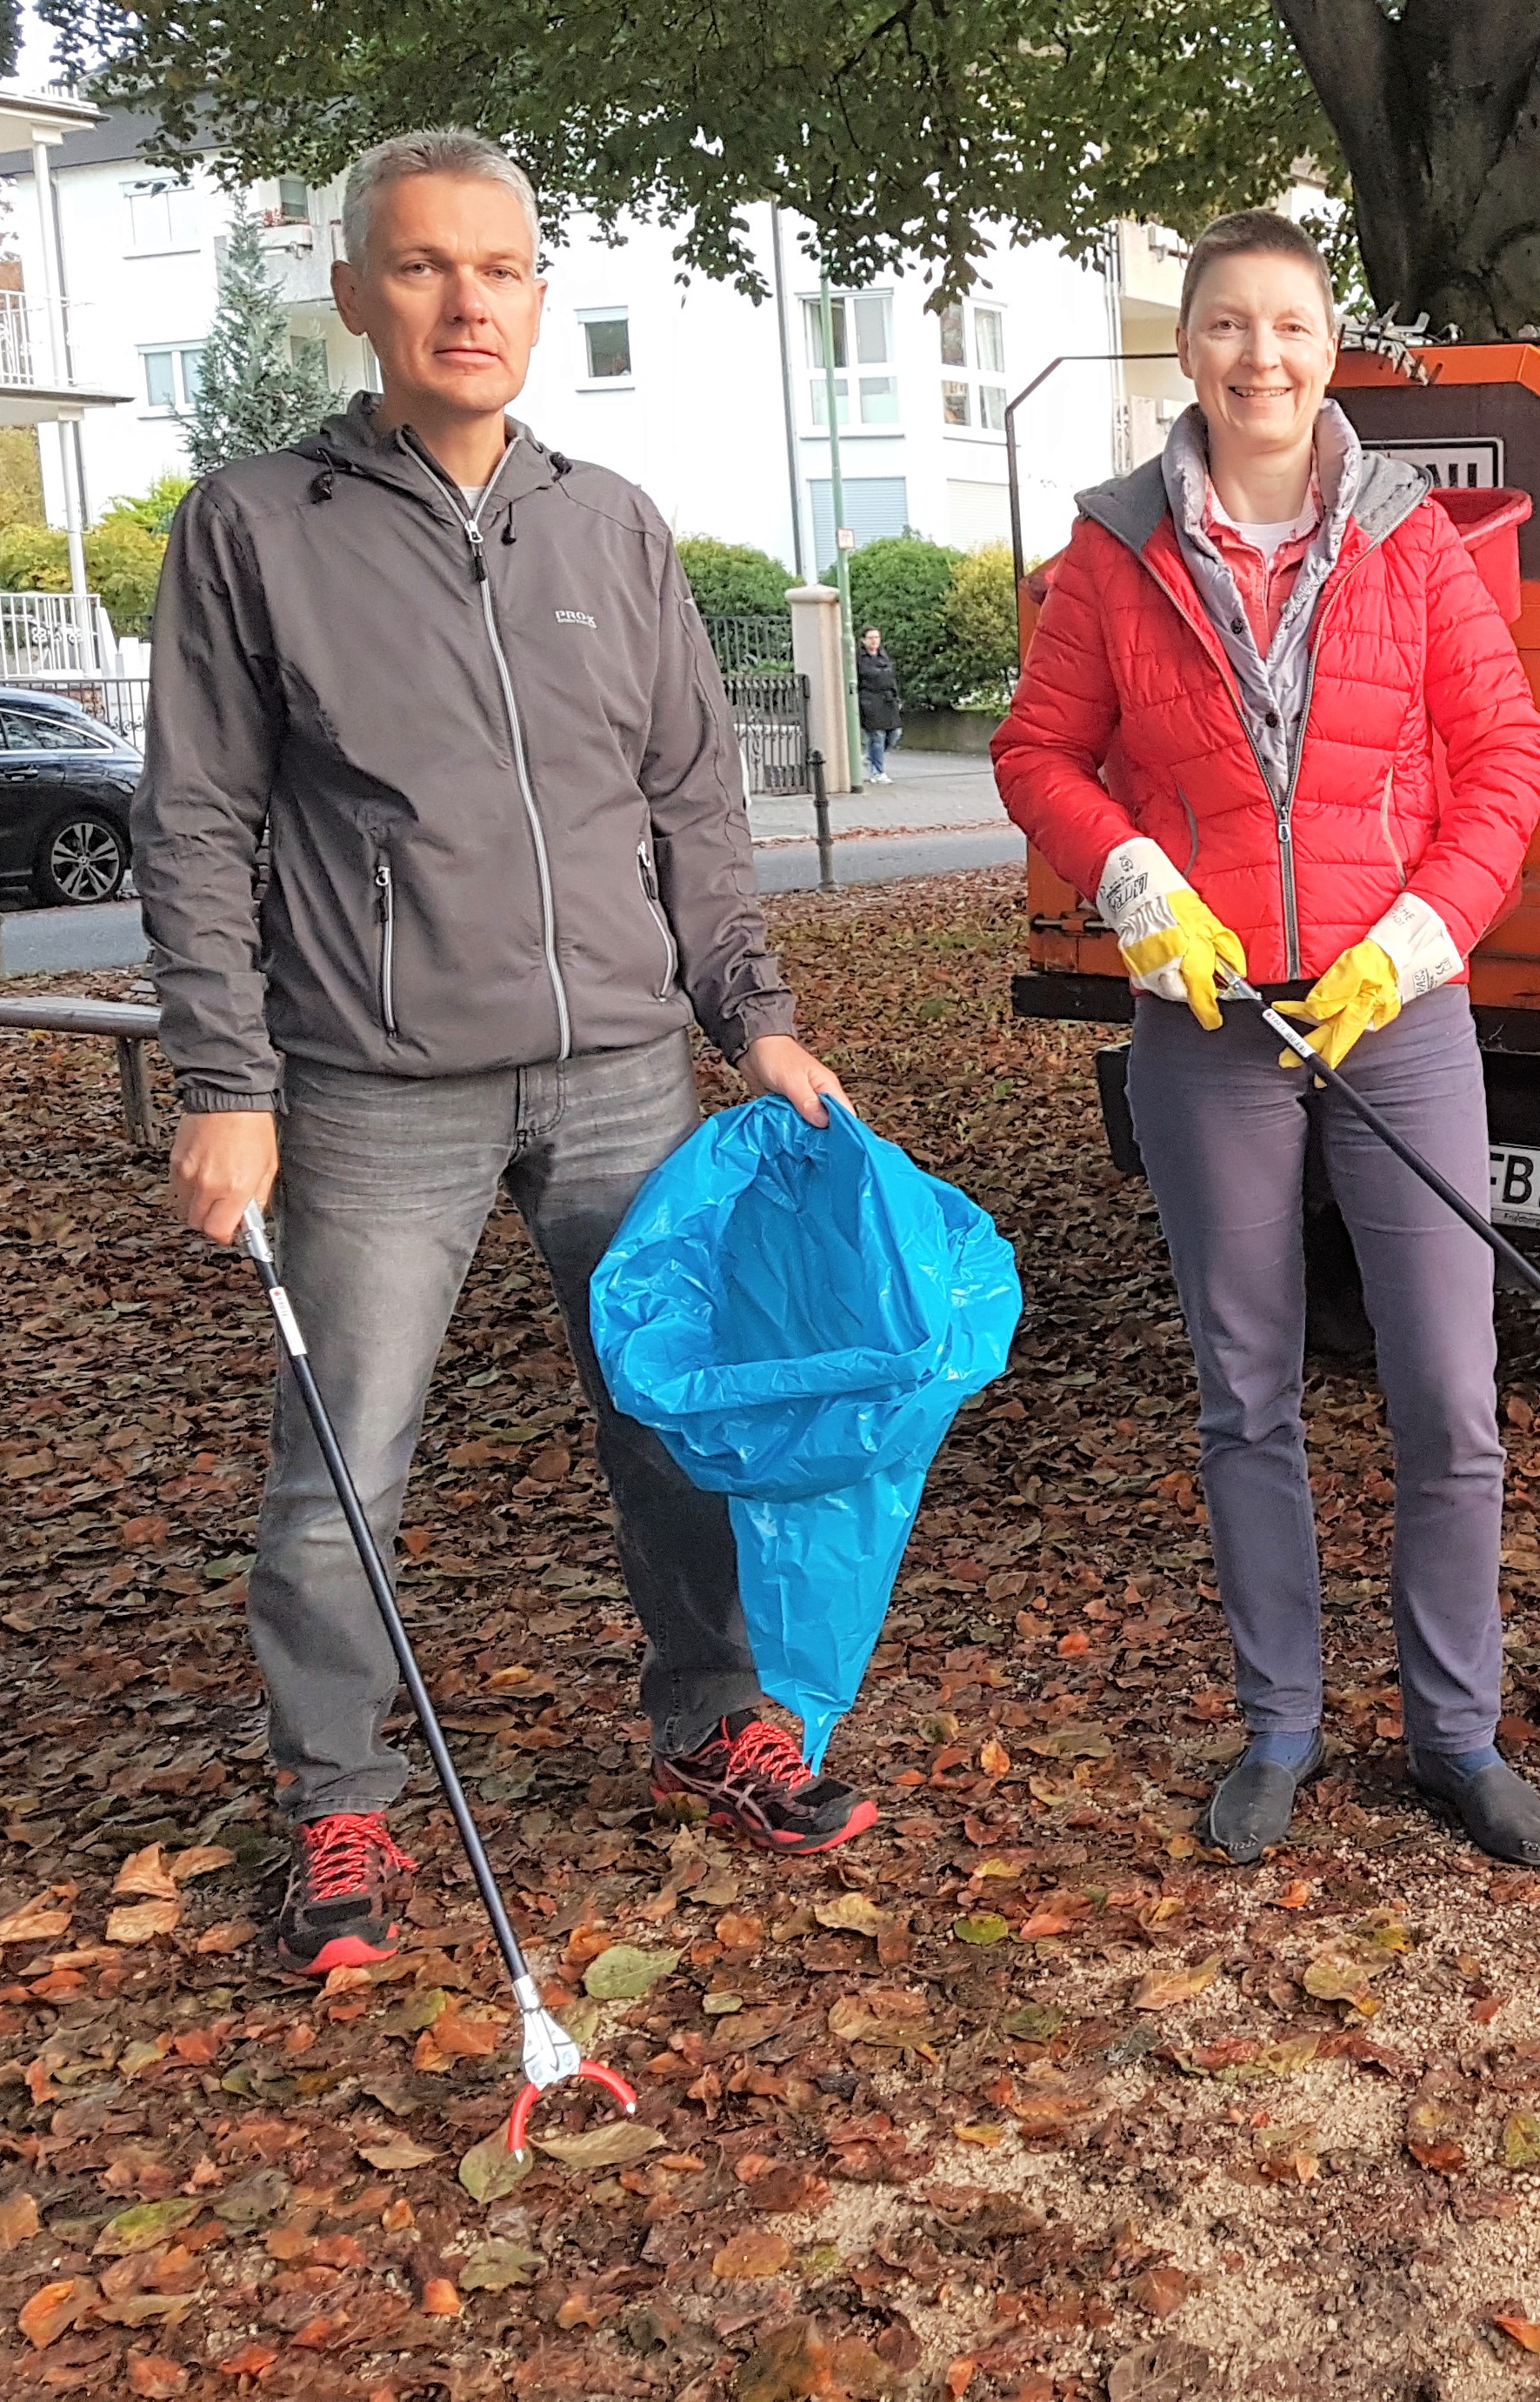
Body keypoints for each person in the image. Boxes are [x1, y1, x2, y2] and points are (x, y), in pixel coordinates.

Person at [137, 127, 870, 1978]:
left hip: (627, 1067)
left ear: (540, 292)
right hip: (376, 1086)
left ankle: (712, 1715)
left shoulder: (612, 524)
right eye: (423, 265)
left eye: (503, 266)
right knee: (344, 1465)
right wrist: (225, 1082)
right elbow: (200, 820)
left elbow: (696, 799)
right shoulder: (255, 529)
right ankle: (340, 1805)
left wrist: (755, 1018)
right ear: (355, 295)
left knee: (671, 1422)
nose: (469, 299)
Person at [990, 210, 1540, 1867]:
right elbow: (1041, 752)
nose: (1260, 355)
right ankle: (1281, 1723)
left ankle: (1456, 1730)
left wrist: (1417, 935)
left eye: (1291, 326)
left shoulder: (1410, 539)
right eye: (1228, 324)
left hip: (1399, 1018)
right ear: (1190, 350)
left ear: (1333, 349)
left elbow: (1505, 755)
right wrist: (1132, 878)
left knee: (1450, 1387)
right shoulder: (1113, 551)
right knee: (1246, 1387)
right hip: (1210, 1020)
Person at [854, 626, 902, 784]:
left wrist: (896, 697)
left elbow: (891, 678)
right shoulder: (859, 658)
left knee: (895, 733)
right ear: (864, 640)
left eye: (877, 637)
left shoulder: (883, 656)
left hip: (888, 700)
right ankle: (878, 771)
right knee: (877, 736)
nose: (874, 640)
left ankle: (869, 758)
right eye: (871, 637)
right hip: (870, 701)